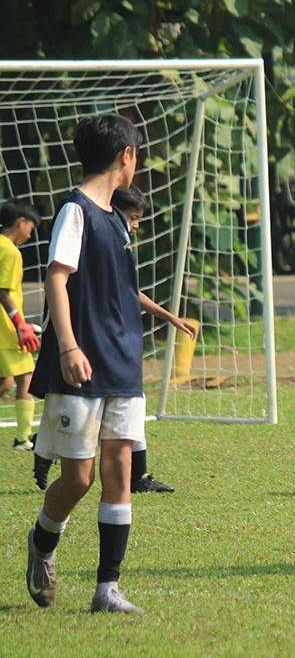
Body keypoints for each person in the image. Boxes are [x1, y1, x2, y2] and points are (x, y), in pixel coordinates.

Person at [25, 113, 149, 614]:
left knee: (120, 467)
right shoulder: (75, 212)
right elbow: (57, 277)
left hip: (123, 362)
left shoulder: (119, 218)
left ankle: (107, 588)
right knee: (78, 478)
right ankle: (42, 541)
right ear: (126, 157)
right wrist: (69, 346)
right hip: (82, 363)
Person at [29, 186, 195, 494]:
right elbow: (57, 279)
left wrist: (169, 316)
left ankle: (138, 476)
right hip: (75, 339)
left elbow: (129, 292)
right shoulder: (83, 220)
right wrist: (67, 344)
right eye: (133, 218)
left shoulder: (121, 241)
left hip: (112, 342)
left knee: (128, 403)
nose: (136, 226)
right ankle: (43, 449)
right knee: (66, 405)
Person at [0, 199, 42, 452]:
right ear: (21, 222)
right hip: (5, 326)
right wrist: (20, 324)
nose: (30, 234)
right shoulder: (10, 250)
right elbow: (3, 290)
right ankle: (23, 438)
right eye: (31, 228)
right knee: (25, 377)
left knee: (5, 382)